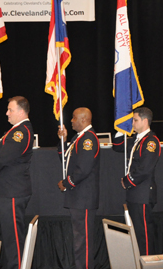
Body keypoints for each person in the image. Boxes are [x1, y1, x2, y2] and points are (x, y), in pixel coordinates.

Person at [0, 96, 34, 269]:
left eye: (10, 110)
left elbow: (4, 156)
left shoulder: (21, 131)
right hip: (10, 191)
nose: (6, 113)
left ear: (21, 112)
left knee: (13, 239)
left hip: (12, 192)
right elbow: (4, 148)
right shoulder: (16, 130)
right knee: (10, 237)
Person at [112, 107, 160, 256]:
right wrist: (122, 126)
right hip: (135, 194)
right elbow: (117, 145)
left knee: (144, 235)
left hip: (143, 194)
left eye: (135, 120)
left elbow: (145, 169)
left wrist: (128, 181)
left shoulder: (151, 141)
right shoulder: (137, 139)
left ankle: (147, 263)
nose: (132, 123)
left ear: (145, 121)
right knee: (137, 234)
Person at [57, 107, 100, 269]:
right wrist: (64, 140)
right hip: (78, 198)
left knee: (84, 241)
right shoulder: (78, 138)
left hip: (84, 198)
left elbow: (83, 168)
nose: (71, 120)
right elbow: (66, 159)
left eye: (74, 118)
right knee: (79, 240)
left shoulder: (88, 139)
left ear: (84, 120)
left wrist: (66, 183)